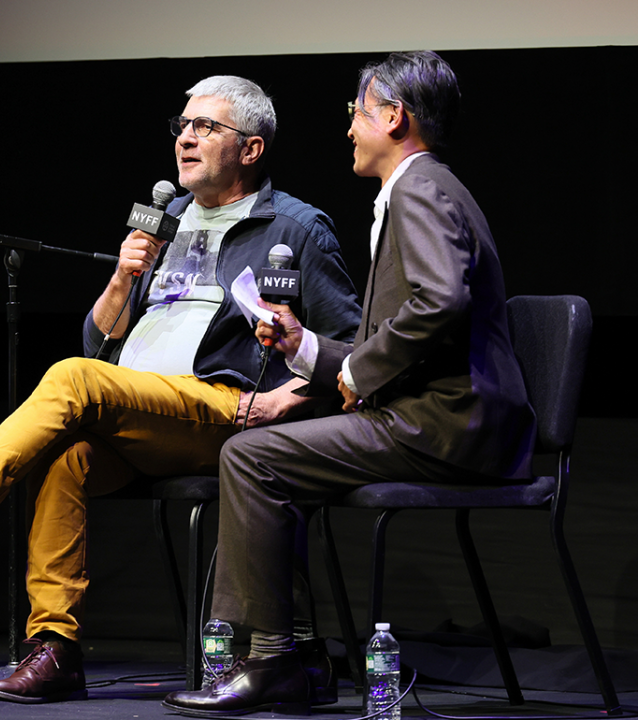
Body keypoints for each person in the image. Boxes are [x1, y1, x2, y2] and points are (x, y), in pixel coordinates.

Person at [0, 75, 362, 704]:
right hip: (139, 411)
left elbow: (349, 353)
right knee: (62, 457)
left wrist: (285, 402)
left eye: (206, 128)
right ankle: (55, 649)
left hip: (226, 410)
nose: (186, 139)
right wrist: (122, 276)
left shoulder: (299, 229)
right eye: (182, 126)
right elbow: (101, 344)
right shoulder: (165, 221)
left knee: (70, 378)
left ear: (250, 150)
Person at [162, 51, 537, 717]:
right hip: (447, 417)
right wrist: (303, 346)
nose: (349, 129)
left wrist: (361, 372)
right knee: (275, 451)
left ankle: (271, 658)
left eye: (357, 113)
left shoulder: (420, 187)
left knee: (251, 456)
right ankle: (295, 656)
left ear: (394, 117)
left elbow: (439, 303)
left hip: (448, 424)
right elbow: (416, 322)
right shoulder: (428, 187)